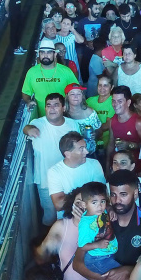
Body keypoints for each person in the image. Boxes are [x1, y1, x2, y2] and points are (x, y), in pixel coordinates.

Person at [24, 93, 81, 225]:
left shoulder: (72, 124)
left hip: (69, 179)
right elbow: (26, 129)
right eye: (48, 105)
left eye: (56, 105)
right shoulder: (37, 123)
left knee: (70, 215)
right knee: (49, 215)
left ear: (63, 108)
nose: (52, 109)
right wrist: (28, 129)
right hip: (45, 181)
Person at [34, 192, 89, 280]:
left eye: (86, 202)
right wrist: (46, 246)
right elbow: (40, 258)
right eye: (78, 202)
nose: (82, 206)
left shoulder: (101, 227)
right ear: (72, 204)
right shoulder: (61, 226)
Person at [47, 132, 106, 218]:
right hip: (68, 219)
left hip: (94, 217)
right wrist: (86, 194)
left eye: (85, 147)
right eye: (81, 149)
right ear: (68, 154)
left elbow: (102, 193)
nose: (87, 152)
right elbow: (58, 204)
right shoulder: (54, 172)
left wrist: (74, 198)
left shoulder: (94, 164)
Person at [23, 38, 79, 117]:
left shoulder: (66, 71)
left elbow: (76, 91)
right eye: (42, 52)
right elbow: (26, 92)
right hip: (42, 118)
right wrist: (28, 101)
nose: (45, 55)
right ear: (39, 54)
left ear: (55, 54)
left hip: (64, 115)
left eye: (49, 52)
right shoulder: (32, 72)